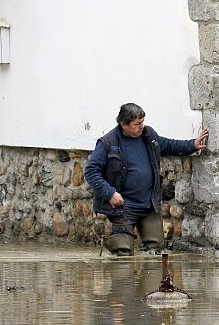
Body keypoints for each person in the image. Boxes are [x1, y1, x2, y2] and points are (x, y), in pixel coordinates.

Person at [84, 103, 209, 255]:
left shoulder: (149, 136)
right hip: (123, 207)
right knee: (121, 254)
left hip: (149, 204)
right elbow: (91, 171)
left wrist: (193, 144)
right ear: (123, 124)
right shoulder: (107, 143)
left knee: (155, 252)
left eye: (142, 122)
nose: (141, 126)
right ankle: (116, 248)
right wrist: (110, 194)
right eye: (137, 124)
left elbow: (170, 145)